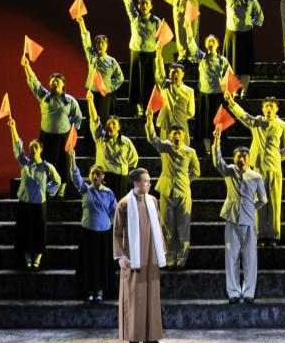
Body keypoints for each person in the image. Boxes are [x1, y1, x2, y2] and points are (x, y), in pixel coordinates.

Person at [226, 95, 285, 246]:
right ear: (262, 109)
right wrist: (231, 102)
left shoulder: (282, 125)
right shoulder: (256, 122)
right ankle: (260, 235)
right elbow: (243, 115)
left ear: (276, 108)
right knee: (258, 201)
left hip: (274, 168)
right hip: (257, 168)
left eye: (271, 106)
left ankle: (274, 235)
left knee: (274, 202)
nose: (269, 108)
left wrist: (277, 157)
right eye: (266, 106)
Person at [213, 128, 268, 303]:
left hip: (249, 221)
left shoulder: (256, 176)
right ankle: (233, 292)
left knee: (250, 258)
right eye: (238, 157)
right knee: (231, 257)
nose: (241, 159)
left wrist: (251, 207)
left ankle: (249, 292)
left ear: (249, 158)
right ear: (234, 158)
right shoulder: (229, 171)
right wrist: (216, 142)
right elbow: (218, 162)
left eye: (244, 156)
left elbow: (263, 199)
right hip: (232, 219)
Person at [113, 167, 165, 343]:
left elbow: (158, 227)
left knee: (152, 297)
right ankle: (134, 339)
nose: (149, 184)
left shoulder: (153, 201)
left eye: (149, 181)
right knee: (134, 297)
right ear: (136, 183)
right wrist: (120, 256)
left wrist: (161, 251)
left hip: (151, 256)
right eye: (146, 181)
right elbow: (117, 233)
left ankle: (152, 338)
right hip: (133, 257)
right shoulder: (124, 204)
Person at [143, 110, 201, 269]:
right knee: (166, 227)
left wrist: (186, 180)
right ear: (169, 135)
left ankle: (181, 260)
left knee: (183, 227)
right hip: (167, 190)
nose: (176, 136)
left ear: (184, 135)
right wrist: (149, 121)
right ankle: (169, 259)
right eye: (174, 133)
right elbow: (152, 139)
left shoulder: (190, 152)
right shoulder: (165, 147)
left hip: (183, 192)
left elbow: (196, 171)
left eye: (179, 133)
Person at [21, 55, 82, 193]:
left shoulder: (70, 101)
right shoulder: (43, 96)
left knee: (63, 162)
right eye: (53, 81)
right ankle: (47, 188)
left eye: (57, 81)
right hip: (46, 136)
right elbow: (33, 82)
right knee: (47, 162)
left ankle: (62, 188)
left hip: (63, 137)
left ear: (63, 84)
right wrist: (26, 66)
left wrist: (72, 133)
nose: (55, 83)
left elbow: (78, 118)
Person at [8, 118, 62, 269]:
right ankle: (27, 256)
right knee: (25, 230)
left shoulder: (46, 166)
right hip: (25, 203)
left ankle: (38, 256)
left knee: (39, 231)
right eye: (31, 147)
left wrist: (46, 189)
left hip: (39, 204)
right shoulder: (25, 162)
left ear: (41, 149)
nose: (33, 149)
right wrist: (13, 128)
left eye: (36, 147)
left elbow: (57, 181)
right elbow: (17, 147)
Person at [68, 150, 117, 304]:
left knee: (102, 263)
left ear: (103, 177)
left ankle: (100, 291)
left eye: (98, 174)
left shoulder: (108, 193)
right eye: (92, 174)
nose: (95, 176)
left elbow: (114, 212)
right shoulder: (85, 189)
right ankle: (89, 290)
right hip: (88, 233)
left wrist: (107, 223)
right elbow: (75, 176)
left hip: (103, 235)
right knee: (89, 263)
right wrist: (72, 158)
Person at [219, 0, 264, 93]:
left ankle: (243, 91)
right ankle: (232, 92)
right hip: (231, 35)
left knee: (245, 65)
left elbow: (260, 17)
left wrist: (250, 23)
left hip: (246, 35)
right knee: (231, 65)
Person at [120, 0, 161, 116]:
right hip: (136, 54)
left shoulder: (156, 21)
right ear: (138, 6)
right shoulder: (134, 17)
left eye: (147, 3)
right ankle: (139, 109)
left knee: (150, 83)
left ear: (151, 6)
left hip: (150, 55)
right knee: (136, 82)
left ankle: (149, 108)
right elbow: (127, 0)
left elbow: (162, 39)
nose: (144, 5)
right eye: (142, 3)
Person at [86, 96, 137, 199]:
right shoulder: (100, 138)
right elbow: (94, 120)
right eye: (109, 123)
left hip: (120, 180)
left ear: (119, 127)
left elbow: (133, 160)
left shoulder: (126, 142)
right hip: (103, 179)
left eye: (114, 124)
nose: (111, 126)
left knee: (119, 207)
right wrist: (90, 101)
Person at [77, 15, 124, 122]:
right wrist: (81, 23)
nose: (101, 44)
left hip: (105, 94)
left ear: (107, 45)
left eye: (103, 42)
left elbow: (120, 77)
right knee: (91, 119)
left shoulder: (111, 61)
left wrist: (109, 86)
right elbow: (86, 41)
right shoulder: (91, 56)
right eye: (98, 42)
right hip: (92, 93)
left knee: (103, 119)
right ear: (95, 45)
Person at [192, 34, 231, 160]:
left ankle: (217, 149)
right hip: (204, 97)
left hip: (218, 97)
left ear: (218, 44)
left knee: (218, 125)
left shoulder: (222, 60)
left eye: (213, 41)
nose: (211, 43)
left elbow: (230, 76)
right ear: (205, 44)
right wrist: (188, 31)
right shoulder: (201, 57)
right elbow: (192, 47)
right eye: (209, 41)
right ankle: (208, 150)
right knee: (205, 125)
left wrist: (229, 92)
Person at [152, 58, 195, 147]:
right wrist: (159, 56)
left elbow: (191, 112)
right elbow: (160, 74)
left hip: (182, 125)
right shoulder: (165, 85)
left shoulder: (189, 91)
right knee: (165, 149)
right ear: (169, 74)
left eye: (177, 72)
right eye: (173, 72)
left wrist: (180, 116)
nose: (175, 74)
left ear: (182, 74)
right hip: (166, 124)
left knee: (183, 150)